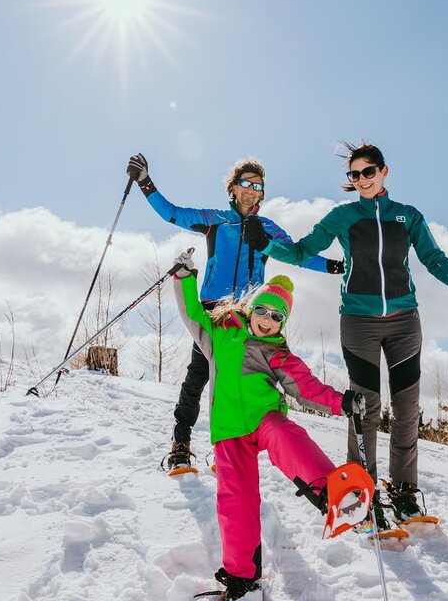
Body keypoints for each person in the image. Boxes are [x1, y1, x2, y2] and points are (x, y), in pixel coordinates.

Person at [243, 142, 448, 525]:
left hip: (404, 321)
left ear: (383, 172)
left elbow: (434, 259)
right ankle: (365, 493)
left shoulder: (407, 216)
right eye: (354, 174)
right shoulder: (343, 216)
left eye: (368, 172)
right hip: (358, 322)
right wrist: (268, 246)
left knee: (408, 408)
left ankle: (405, 492)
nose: (361, 180)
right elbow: (301, 251)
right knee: (364, 409)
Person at [169, 249, 365, 601]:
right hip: (228, 433)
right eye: (263, 310)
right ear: (252, 308)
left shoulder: (277, 353)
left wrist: (341, 402)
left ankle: (334, 492)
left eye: (277, 317)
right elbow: (193, 314)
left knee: (286, 436)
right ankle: (242, 580)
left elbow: (305, 387)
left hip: (263, 419)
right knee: (235, 502)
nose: (268, 320)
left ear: (282, 324)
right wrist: (184, 278)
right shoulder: (220, 333)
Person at [126, 153, 344, 473]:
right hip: (216, 314)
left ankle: (228, 447)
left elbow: (298, 255)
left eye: (258, 185)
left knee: (244, 382)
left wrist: (336, 266)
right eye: (245, 183)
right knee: (198, 376)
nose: (251, 189)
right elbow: (172, 213)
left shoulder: (267, 229)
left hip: (252, 318)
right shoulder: (215, 220)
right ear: (233, 189)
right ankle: (181, 444)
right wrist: (145, 182)